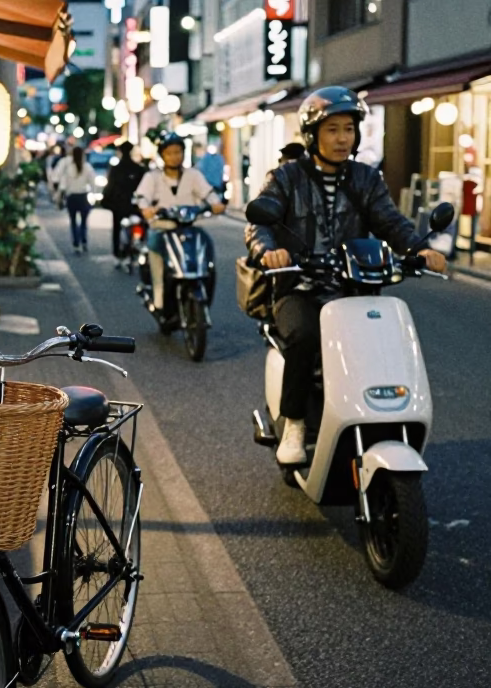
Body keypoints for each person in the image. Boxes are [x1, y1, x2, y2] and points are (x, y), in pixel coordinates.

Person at [245, 86, 447, 466]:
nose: (342, 138)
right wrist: (268, 252)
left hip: (357, 288)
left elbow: (390, 222)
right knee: (303, 336)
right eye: (332, 129)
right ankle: (295, 424)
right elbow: (261, 223)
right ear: (312, 135)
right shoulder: (287, 177)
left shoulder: (366, 179)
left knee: (384, 339)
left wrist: (419, 249)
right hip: (299, 289)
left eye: (349, 129)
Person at [135, 133, 225, 325]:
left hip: (189, 228)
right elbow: (142, 197)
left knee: (207, 252)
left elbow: (208, 193)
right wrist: (147, 209)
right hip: (162, 229)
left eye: (178, 152)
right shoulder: (153, 177)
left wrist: (216, 203)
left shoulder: (193, 175)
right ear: (162, 155)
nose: (174, 156)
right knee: (157, 263)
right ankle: (159, 303)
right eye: (170, 153)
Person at [101, 141, 146, 268]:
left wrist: (106, 200)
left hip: (119, 205)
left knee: (117, 228)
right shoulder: (138, 168)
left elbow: (110, 187)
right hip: (135, 205)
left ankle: (117, 253)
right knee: (141, 225)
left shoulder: (116, 169)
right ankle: (137, 246)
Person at [59, 145, 98, 253]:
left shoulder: (69, 168)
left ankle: (76, 243)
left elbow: (64, 184)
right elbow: (93, 182)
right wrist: (93, 195)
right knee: (84, 221)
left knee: (73, 221)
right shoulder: (87, 167)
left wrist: (61, 195)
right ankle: (84, 240)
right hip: (83, 196)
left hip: (71, 197)